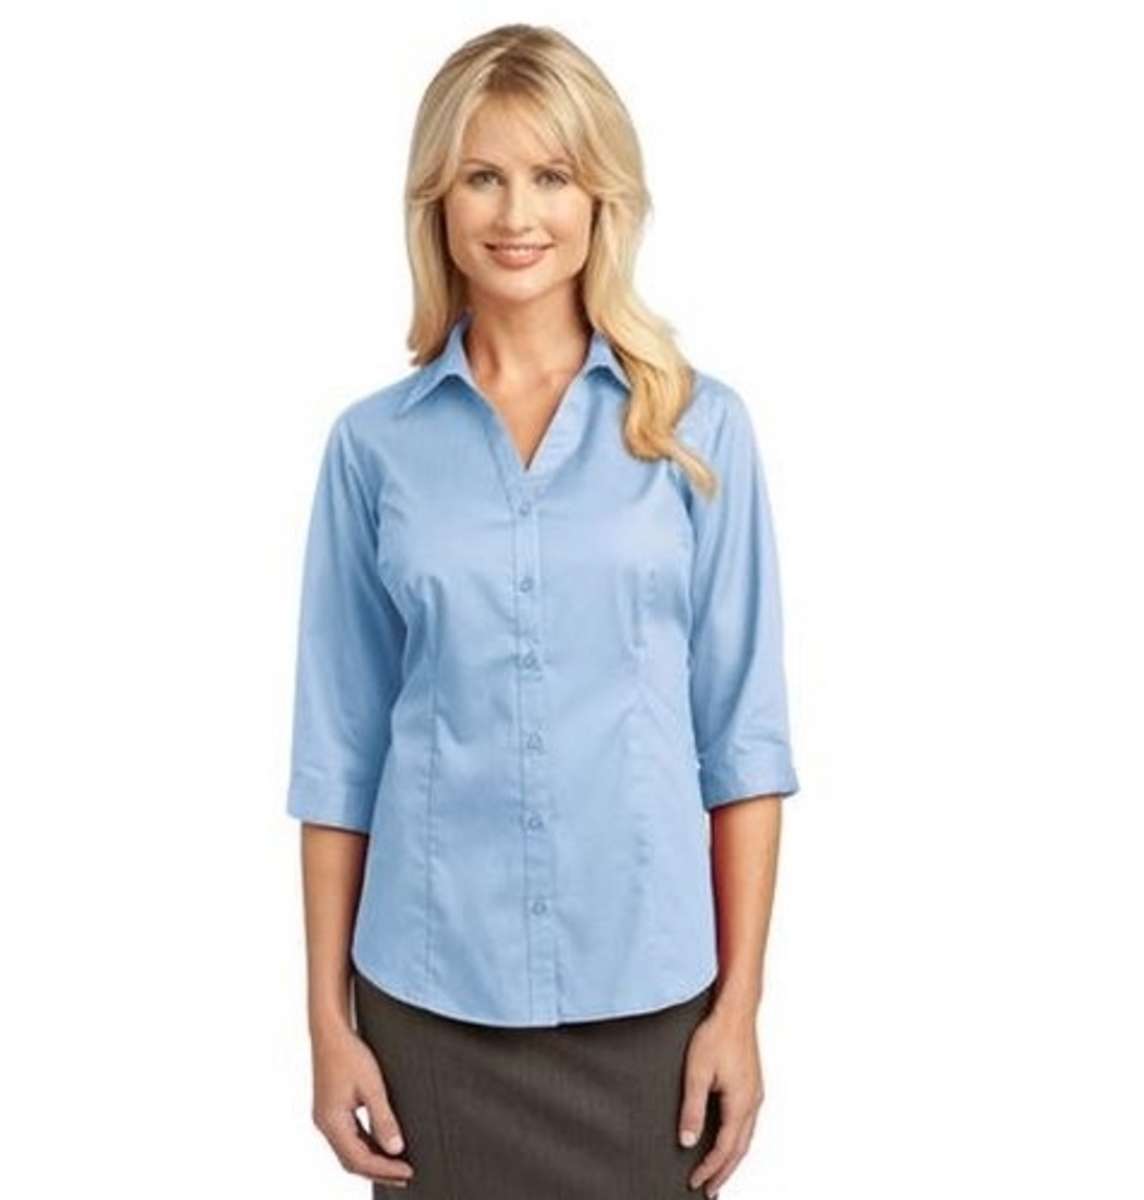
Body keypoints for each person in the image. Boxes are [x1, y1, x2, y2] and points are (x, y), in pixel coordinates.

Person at [286, 23, 801, 1200]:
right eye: (483, 175)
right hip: (429, 1003)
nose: (517, 214)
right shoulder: (372, 448)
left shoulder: (699, 431)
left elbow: (744, 740)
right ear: (438, 200)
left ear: (600, 197)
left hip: (650, 1005)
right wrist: (325, 1024)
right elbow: (338, 755)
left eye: (552, 175)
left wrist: (740, 1009)